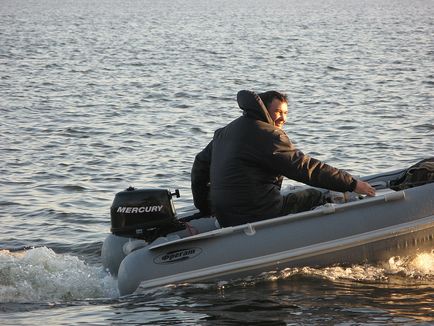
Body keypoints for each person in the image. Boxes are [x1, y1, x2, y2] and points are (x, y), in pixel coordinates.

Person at [191, 90, 376, 227]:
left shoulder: (224, 133)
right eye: (278, 112)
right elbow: (305, 168)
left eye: (286, 113)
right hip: (259, 215)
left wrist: (206, 208)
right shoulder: (268, 135)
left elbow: (199, 167)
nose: (283, 118)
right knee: (314, 195)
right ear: (264, 109)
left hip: (226, 216)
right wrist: (352, 183)